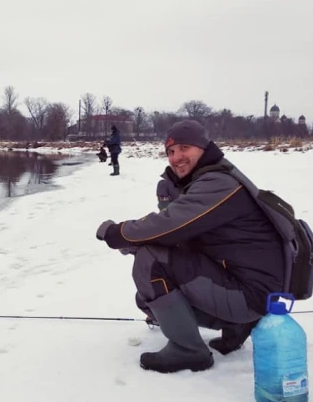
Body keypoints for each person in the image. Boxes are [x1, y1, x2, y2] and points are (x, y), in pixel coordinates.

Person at [95, 119, 286, 373]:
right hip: (251, 290)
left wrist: (118, 233)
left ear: (203, 149)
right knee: (147, 299)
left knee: (150, 262)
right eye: (171, 152)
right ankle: (236, 328)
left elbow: (168, 223)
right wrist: (136, 242)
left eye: (185, 148)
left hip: (250, 296)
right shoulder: (212, 178)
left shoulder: (218, 182)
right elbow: (182, 233)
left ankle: (189, 351)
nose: (176, 158)